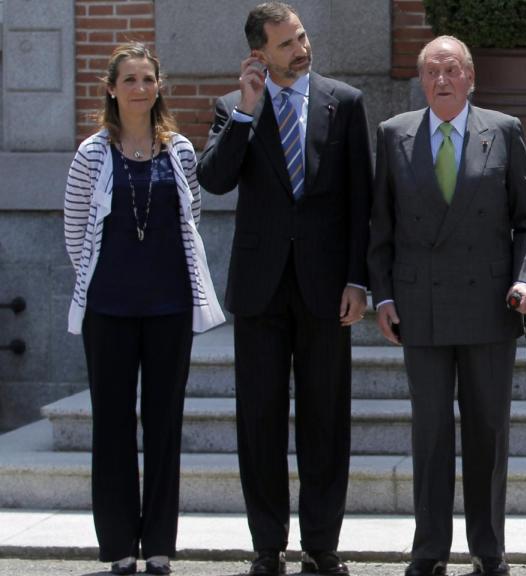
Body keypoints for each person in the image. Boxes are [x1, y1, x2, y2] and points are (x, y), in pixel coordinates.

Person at [196, 2, 372, 574]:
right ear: (259, 55)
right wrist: (246, 113)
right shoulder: (232, 108)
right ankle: (267, 545)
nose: (301, 49)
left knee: (326, 418)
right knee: (260, 419)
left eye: (301, 36)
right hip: (260, 289)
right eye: (286, 44)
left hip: (326, 288)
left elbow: (359, 201)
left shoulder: (343, 102)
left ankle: (322, 545)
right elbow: (215, 181)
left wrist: (357, 280)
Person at [367, 35, 526, 576]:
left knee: (489, 430)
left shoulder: (504, 130)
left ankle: (488, 549)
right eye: (431, 72)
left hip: (491, 305)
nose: (441, 80)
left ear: (471, 77)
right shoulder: (394, 134)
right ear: (421, 81)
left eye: (451, 70)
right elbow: (382, 224)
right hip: (420, 306)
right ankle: (429, 550)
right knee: (431, 433)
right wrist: (385, 295)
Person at [63, 42, 225, 576]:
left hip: (168, 308)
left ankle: (158, 545)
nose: (139, 89)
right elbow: (74, 234)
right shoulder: (91, 154)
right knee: (111, 427)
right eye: (128, 80)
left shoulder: (178, 150)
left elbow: (192, 218)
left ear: (159, 87)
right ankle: (117, 549)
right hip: (107, 309)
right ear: (111, 89)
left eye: (147, 79)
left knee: (164, 425)